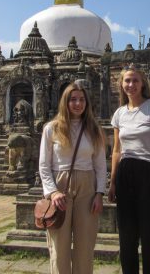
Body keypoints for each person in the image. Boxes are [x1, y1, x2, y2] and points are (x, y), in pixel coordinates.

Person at [108, 66, 150, 274]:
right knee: (127, 237)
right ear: (121, 85)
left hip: (149, 173)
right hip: (125, 173)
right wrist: (113, 181)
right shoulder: (119, 114)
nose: (131, 85)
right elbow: (117, 150)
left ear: (143, 83)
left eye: (135, 80)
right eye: (127, 81)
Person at [39, 82, 107, 274]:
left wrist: (99, 193)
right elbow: (44, 165)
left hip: (87, 187)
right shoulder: (51, 128)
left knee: (85, 247)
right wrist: (52, 192)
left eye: (82, 99)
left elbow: (100, 165)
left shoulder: (94, 129)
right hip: (60, 186)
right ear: (65, 102)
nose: (78, 104)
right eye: (73, 99)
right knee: (59, 249)